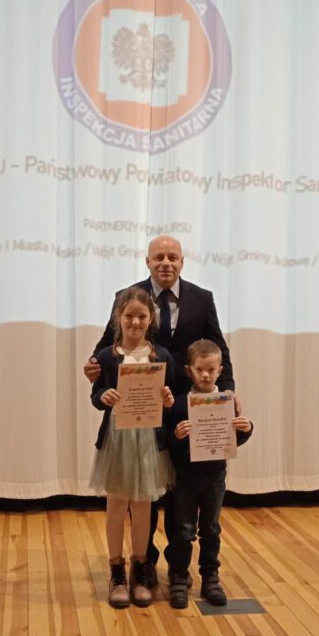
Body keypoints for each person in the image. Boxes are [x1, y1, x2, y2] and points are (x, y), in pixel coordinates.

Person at [84, 235, 235, 584]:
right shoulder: (129, 296)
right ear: (148, 261)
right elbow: (107, 345)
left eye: (172, 257)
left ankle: (177, 566)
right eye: (158, 257)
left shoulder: (202, 298)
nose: (165, 263)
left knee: (177, 489)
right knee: (142, 491)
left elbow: (219, 350)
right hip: (136, 412)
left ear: (182, 261)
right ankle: (145, 561)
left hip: (181, 408)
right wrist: (94, 368)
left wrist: (227, 392)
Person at [89, 287, 175, 608]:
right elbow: (96, 395)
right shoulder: (106, 356)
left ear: (151, 318)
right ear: (118, 317)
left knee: (143, 505)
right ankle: (116, 571)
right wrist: (103, 396)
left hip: (149, 438)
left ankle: (140, 568)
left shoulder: (161, 356)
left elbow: (171, 396)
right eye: (129, 316)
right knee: (116, 504)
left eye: (142, 316)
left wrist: (168, 400)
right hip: (118, 438)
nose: (135, 322)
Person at [165, 339, 253, 609]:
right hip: (186, 477)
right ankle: (179, 577)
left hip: (215, 477)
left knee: (211, 529)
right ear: (188, 370)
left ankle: (210, 578)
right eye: (200, 369)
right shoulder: (181, 404)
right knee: (183, 530)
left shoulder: (227, 402)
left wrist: (246, 429)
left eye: (211, 370)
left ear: (220, 370)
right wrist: (176, 435)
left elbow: (232, 440)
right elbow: (168, 440)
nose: (205, 375)